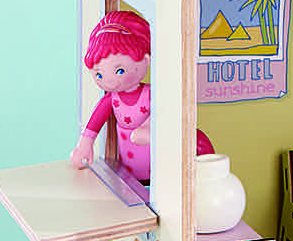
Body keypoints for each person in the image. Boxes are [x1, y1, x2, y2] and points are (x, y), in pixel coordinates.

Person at [67, 11, 210, 185]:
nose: (109, 81)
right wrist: (84, 144)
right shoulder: (112, 99)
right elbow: (94, 123)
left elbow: (167, 113)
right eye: (99, 74)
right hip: (128, 174)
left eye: (119, 70)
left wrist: (150, 128)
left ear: (146, 59)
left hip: (160, 172)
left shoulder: (150, 94)